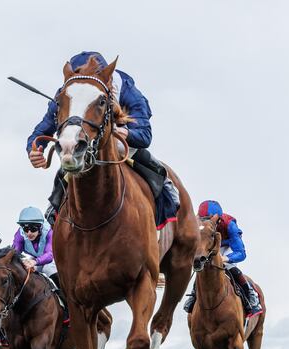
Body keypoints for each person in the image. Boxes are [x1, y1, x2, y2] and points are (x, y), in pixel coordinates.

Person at [26, 51, 179, 226]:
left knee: (155, 167)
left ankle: (166, 196)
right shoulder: (68, 92)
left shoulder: (127, 89)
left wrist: (127, 134)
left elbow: (145, 136)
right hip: (82, 143)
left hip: (118, 141)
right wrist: (34, 150)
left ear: (108, 78)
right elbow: (41, 130)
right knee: (65, 166)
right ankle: (54, 208)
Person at [183, 200, 262, 317]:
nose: (205, 222)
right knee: (202, 265)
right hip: (210, 243)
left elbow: (241, 253)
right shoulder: (197, 222)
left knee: (228, 266)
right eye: (202, 219)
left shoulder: (230, 225)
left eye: (208, 218)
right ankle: (194, 295)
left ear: (218, 218)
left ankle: (250, 295)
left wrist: (225, 258)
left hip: (229, 246)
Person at [11, 206, 59, 287]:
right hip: (39, 260)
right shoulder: (19, 235)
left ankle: (65, 294)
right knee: (24, 270)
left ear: (40, 227)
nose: (29, 233)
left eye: (33, 229)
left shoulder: (49, 232)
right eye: (26, 229)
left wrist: (34, 262)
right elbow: (14, 254)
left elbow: (50, 255)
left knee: (48, 268)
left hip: (56, 258)